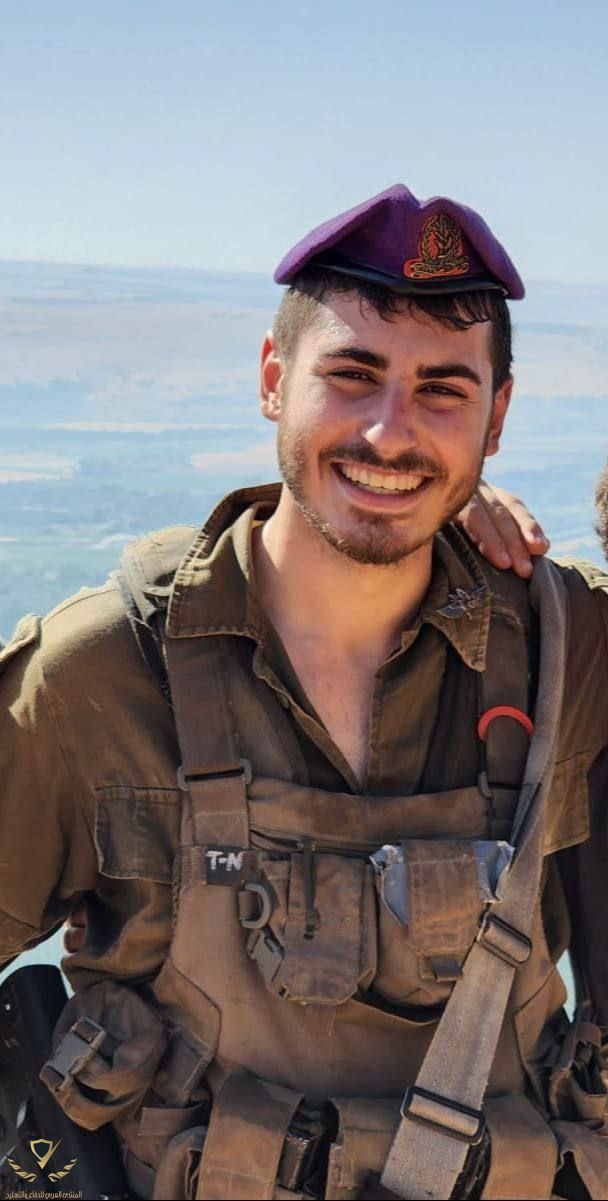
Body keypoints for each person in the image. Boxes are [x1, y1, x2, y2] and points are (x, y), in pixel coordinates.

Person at [0, 184, 606, 1201]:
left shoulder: (568, 648)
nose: (389, 433)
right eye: (352, 375)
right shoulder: (99, 673)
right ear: (274, 379)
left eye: (443, 392)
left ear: (497, 417)